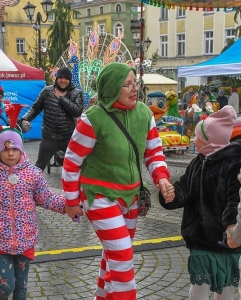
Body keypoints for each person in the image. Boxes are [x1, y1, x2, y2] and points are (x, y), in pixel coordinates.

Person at [62, 62, 175, 300]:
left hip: (131, 197)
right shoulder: (93, 118)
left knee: (113, 254)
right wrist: (72, 200)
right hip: (99, 196)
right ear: (113, 88)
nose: (135, 89)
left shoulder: (144, 113)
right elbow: (72, 162)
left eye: (135, 83)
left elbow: (153, 152)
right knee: (122, 258)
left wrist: (162, 177)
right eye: (128, 84)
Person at [0, 105, 67, 300]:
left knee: (21, 289)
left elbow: (46, 198)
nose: (11, 153)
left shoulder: (33, 174)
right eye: (6, 149)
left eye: (14, 148)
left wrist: (68, 205)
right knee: (6, 286)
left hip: (25, 240)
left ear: (21, 149)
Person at [159, 105, 241, 300]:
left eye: (198, 137)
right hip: (200, 240)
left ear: (208, 140)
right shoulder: (198, 161)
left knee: (226, 290)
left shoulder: (233, 163)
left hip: (224, 241)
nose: (194, 140)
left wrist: (231, 225)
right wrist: (171, 196)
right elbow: (184, 187)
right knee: (198, 288)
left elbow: (235, 198)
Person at [21, 67, 83, 171]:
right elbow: (35, 108)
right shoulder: (47, 91)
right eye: (61, 78)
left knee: (75, 167)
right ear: (56, 78)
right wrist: (25, 118)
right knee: (39, 167)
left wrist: (61, 98)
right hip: (49, 137)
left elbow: (77, 111)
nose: (63, 80)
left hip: (68, 137)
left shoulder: (76, 93)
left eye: (66, 78)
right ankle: (32, 186)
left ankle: (76, 187)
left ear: (70, 80)